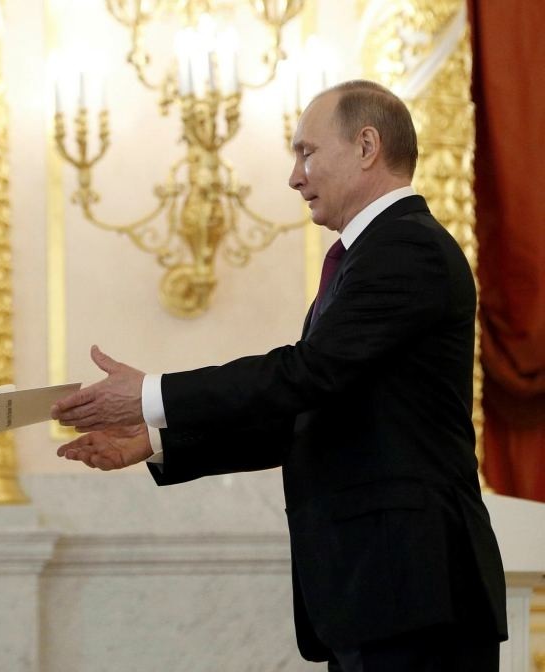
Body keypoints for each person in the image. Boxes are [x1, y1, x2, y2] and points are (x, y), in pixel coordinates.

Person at [52, 80, 508, 671]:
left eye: (307, 152)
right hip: (380, 595)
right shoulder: (367, 257)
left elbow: (304, 375)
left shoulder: (406, 249)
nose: (295, 176)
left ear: (367, 146)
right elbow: (308, 409)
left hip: (415, 591)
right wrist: (156, 439)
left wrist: (151, 395)